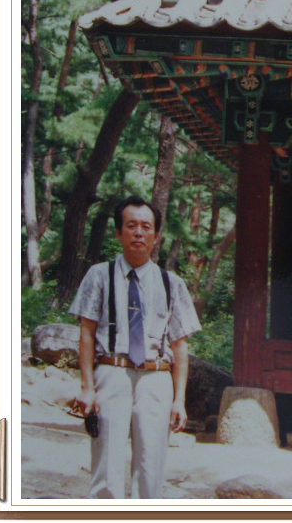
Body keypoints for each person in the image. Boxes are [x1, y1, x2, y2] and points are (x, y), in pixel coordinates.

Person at [69, 195, 201, 499]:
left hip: (156, 378)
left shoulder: (172, 283)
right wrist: (87, 388)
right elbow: (86, 333)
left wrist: (179, 400)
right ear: (119, 233)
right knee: (106, 464)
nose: (138, 233)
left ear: (156, 236)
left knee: (151, 466)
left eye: (146, 227)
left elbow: (179, 346)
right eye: (131, 226)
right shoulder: (99, 275)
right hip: (112, 372)